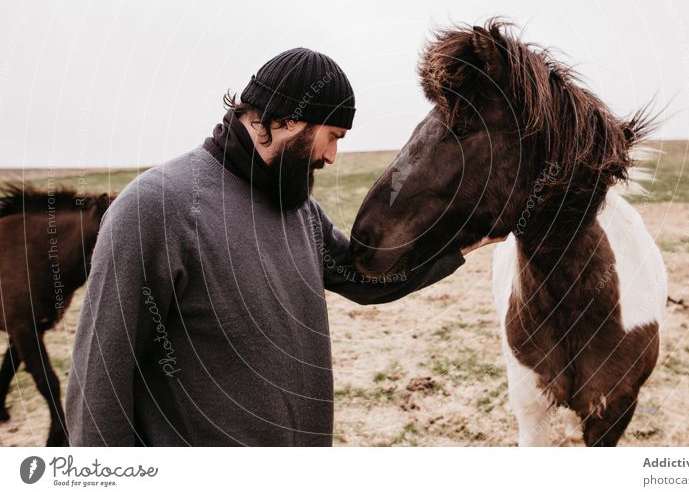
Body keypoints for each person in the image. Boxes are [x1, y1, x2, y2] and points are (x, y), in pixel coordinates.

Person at [65, 47, 492, 446]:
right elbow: (99, 379)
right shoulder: (156, 207)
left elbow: (362, 278)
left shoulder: (299, 209)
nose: (332, 156)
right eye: (333, 135)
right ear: (287, 120)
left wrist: (465, 244)